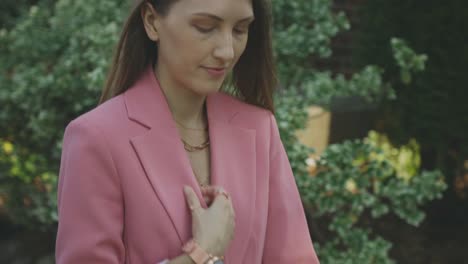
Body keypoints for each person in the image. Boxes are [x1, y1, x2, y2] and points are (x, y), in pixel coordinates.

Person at [55, 0, 320, 263]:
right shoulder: (96, 138)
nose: (227, 51)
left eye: (240, 30)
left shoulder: (259, 128)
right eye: (205, 27)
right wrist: (200, 256)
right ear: (151, 21)